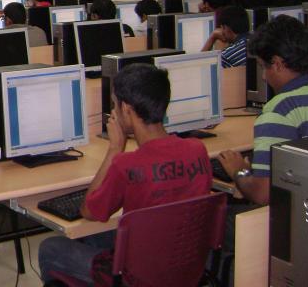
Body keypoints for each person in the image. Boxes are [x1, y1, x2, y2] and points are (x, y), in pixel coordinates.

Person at [38, 64, 212, 284]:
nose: (113, 111)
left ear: (127, 110)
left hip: (137, 277)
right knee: (94, 234)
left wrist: (114, 148)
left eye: (115, 104)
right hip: (187, 267)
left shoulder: (126, 165)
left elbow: (88, 211)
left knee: (51, 247)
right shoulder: (197, 149)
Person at [217, 15, 308, 206]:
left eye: (263, 67)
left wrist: (239, 170)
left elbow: (262, 195)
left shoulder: (279, 111)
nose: (264, 77)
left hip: (307, 215)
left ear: (277, 64)